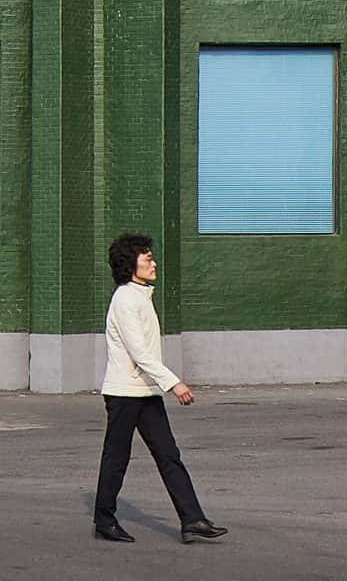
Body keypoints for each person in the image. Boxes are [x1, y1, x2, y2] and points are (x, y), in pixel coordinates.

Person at [95, 232, 227, 544]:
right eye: (147, 257)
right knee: (117, 457)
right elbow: (139, 353)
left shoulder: (140, 296)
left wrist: (159, 385)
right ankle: (104, 519)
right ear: (131, 264)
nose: (154, 262)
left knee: (169, 455)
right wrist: (174, 382)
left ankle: (192, 519)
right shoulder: (126, 299)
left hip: (145, 391)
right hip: (125, 392)